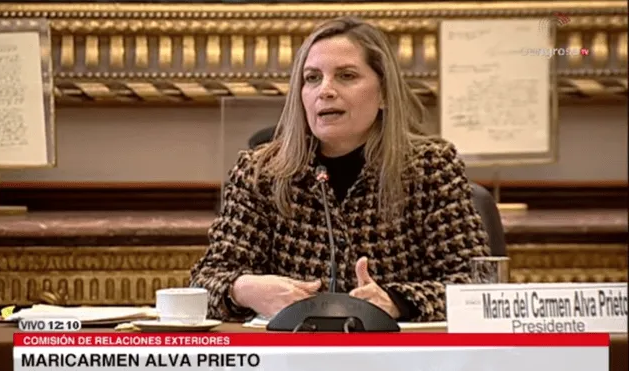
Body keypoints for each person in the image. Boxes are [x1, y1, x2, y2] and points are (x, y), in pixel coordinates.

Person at [190, 16, 490, 323]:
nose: (326, 91)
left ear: (384, 92)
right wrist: (244, 289)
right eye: (312, 78)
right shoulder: (260, 173)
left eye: (346, 76)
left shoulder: (430, 168)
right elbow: (206, 281)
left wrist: (396, 302)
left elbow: (478, 284)